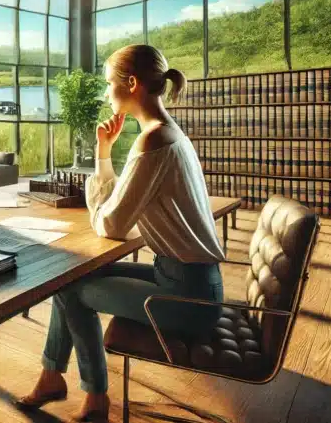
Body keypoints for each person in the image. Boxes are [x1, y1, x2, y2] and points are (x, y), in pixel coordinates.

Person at [15, 45, 225, 421]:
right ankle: (52, 376)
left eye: (109, 82)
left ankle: (94, 397)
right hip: (188, 280)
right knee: (69, 282)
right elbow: (118, 210)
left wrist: (100, 198)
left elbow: (112, 224)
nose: (106, 91)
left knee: (74, 292)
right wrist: (104, 151)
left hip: (186, 298)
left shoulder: (153, 141)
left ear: (131, 83)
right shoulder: (168, 133)